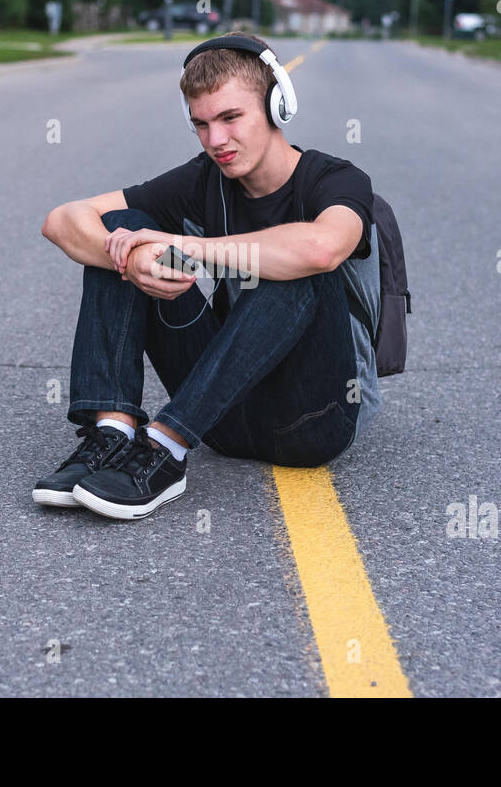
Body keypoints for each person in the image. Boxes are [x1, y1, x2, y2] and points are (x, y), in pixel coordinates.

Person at [35, 31, 380, 521]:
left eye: (231, 117)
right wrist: (132, 259)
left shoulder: (336, 180)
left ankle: (164, 452)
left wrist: (186, 246)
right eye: (201, 124)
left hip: (315, 419)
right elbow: (62, 219)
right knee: (122, 230)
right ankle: (111, 436)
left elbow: (322, 248)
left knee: (292, 263)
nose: (216, 140)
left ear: (276, 106)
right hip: (223, 416)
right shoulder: (205, 180)